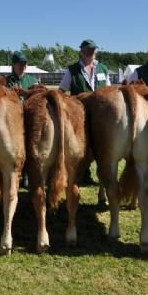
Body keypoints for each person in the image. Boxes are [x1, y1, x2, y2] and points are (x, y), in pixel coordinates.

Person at [59, 39, 110, 189]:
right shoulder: (72, 69)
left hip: (99, 114)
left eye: (93, 50)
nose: (90, 53)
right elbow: (61, 91)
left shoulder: (103, 68)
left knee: (101, 143)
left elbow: (107, 92)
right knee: (81, 144)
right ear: (81, 52)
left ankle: (100, 173)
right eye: (87, 50)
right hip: (78, 114)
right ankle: (82, 173)